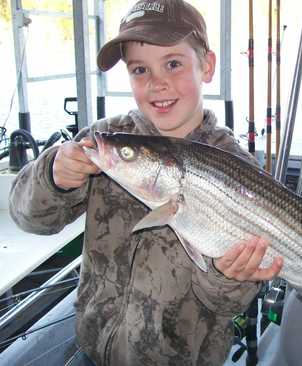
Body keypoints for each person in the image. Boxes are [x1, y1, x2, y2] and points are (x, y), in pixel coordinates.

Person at [9, 1, 283, 365]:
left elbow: (227, 304)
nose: (157, 83)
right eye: (139, 69)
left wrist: (227, 276)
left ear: (207, 66)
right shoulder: (106, 140)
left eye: (173, 64)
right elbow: (30, 220)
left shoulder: (238, 169)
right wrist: (54, 176)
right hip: (92, 348)